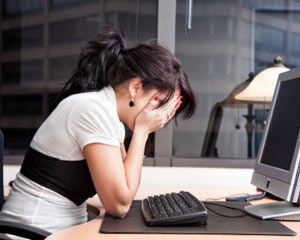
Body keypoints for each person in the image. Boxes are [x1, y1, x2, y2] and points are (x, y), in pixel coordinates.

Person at [0, 29, 195, 233]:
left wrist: (141, 130)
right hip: (32, 233)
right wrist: (142, 131)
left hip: (59, 230)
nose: (162, 115)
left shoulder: (106, 113)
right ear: (136, 87)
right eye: (160, 103)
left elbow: (124, 187)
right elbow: (119, 204)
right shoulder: (93, 111)